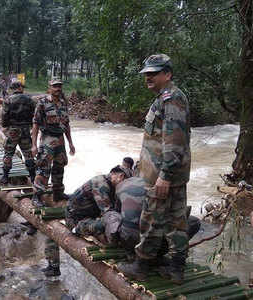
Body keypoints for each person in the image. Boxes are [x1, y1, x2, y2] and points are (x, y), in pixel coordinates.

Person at [121, 54, 191, 285]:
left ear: (167, 74)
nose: (148, 77)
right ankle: (176, 270)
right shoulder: (165, 98)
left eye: (154, 73)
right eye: (146, 73)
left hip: (164, 176)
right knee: (176, 221)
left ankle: (141, 267)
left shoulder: (171, 99)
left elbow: (174, 141)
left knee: (151, 219)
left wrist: (164, 176)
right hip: (169, 174)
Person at [31, 78, 75, 206]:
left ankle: (58, 193)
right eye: (55, 86)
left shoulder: (63, 103)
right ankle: (37, 196)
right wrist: (34, 145)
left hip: (60, 139)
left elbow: (66, 124)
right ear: (49, 88)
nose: (58, 89)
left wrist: (71, 143)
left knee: (59, 166)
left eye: (59, 86)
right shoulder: (42, 103)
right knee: (43, 167)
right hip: (47, 139)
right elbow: (35, 124)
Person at [65, 166, 133, 239]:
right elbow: (108, 212)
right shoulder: (101, 185)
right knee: (102, 226)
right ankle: (76, 229)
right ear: (121, 176)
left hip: (89, 213)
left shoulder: (111, 185)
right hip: (75, 218)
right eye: (125, 182)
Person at [0, 79, 36, 184]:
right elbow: (34, 115)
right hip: (25, 129)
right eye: (22, 88)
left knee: (8, 153)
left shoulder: (8, 100)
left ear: (13, 89)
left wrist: (5, 126)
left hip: (13, 130)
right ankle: (33, 177)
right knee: (28, 153)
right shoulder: (29, 100)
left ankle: (5, 176)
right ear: (20, 88)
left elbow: (5, 115)